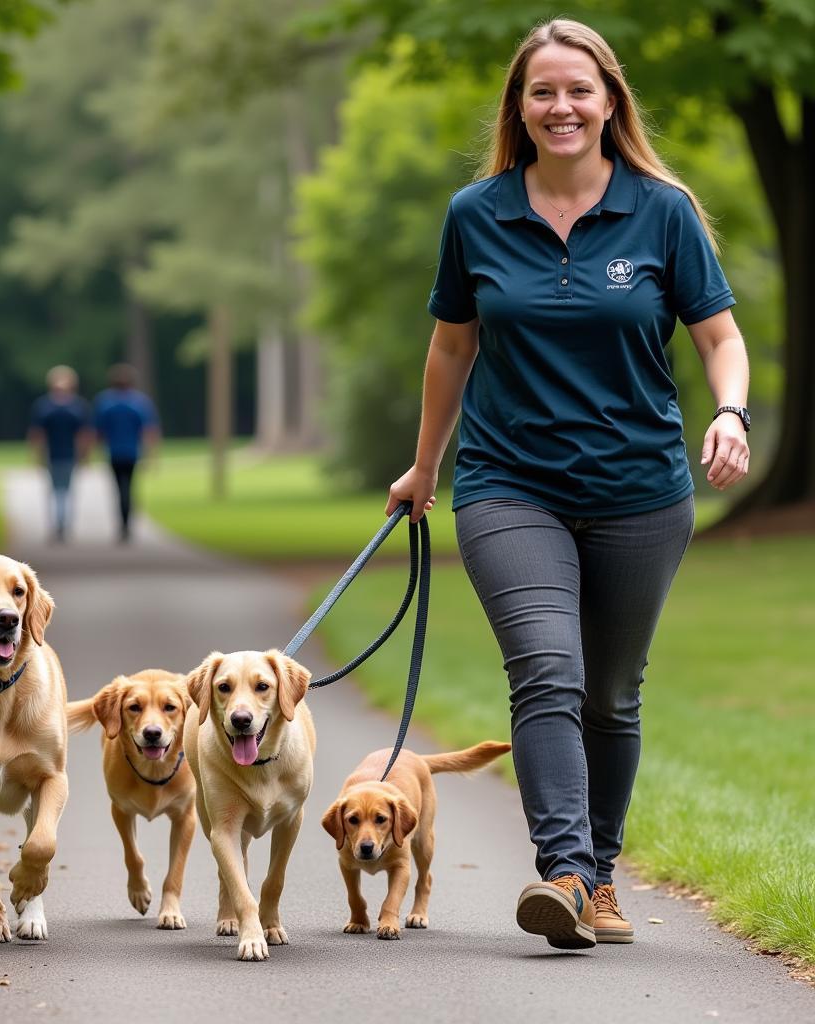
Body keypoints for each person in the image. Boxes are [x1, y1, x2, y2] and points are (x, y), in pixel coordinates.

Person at [386, 18, 750, 951]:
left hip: (641, 488)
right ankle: (565, 874)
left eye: (579, 90)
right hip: (510, 485)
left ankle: (601, 875)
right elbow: (452, 346)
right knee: (547, 669)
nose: (562, 106)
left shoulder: (662, 211)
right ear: (520, 107)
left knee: (612, 694)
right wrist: (425, 467)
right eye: (542, 92)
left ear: (610, 100)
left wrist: (729, 412)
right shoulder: (477, 214)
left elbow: (718, 336)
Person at [94, 363, 160, 542]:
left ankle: (122, 523)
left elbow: (98, 430)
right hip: (132, 452)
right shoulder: (139, 402)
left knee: (118, 488)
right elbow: (148, 430)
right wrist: (152, 454)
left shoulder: (106, 402)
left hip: (114, 453)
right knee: (129, 487)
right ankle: (127, 524)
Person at [29, 365, 92, 542]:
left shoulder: (44, 406)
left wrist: (36, 455)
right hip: (64, 454)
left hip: (57, 454)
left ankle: (60, 524)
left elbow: (37, 434)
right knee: (65, 491)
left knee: (57, 491)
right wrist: (85, 455)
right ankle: (63, 524)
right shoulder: (77, 406)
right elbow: (83, 435)